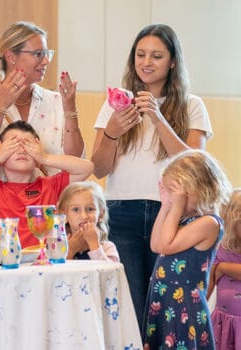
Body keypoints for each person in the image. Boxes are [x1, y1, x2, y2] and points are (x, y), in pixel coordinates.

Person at [91, 23, 213, 330]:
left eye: (157, 56)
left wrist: (159, 120)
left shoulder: (192, 105)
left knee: (167, 305)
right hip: (122, 212)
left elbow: (195, 166)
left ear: (173, 61)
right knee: (129, 305)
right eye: (140, 54)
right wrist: (112, 132)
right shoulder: (115, 103)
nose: (146, 62)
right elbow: (100, 167)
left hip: (173, 213)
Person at [0, 21, 85, 232]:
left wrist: (70, 110)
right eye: (38, 54)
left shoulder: (54, 100)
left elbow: (76, 158)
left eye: (47, 53)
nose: (46, 61)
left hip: (46, 215)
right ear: (11, 56)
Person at [0, 120, 93, 248]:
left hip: (41, 267)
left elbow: (86, 168)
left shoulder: (50, 186)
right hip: (2, 267)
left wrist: (44, 157)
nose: (21, 150)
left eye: (28, 145)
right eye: (13, 144)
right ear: (0, 148)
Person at [143, 150, 231, 349]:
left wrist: (175, 207)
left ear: (198, 189)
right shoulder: (181, 220)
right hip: (164, 300)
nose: (174, 199)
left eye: (176, 193)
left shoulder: (209, 223)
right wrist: (166, 205)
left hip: (182, 307)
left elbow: (166, 245)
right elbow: (156, 245)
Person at [208, 189, 241, 350]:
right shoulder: (220, 249)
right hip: (225, 326)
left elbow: (217, 269)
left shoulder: (221, 262)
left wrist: (223, 267)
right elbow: (205, 290)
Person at [57, 181, 119, 262]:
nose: (84, 216)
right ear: (64, 213)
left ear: (101, 214)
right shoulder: (57, 245)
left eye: (90, 209)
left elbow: (108, 273)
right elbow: (55, 272)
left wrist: (94, 245)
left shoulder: (107, 247)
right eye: (76, 209)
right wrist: (70, 251)